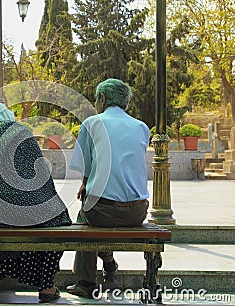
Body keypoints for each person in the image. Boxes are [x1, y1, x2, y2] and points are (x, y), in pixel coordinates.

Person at [0, 102, 72, 302]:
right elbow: (38, 176)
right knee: (56, 220)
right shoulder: (17, 131)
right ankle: (46, 286)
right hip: (15, 216)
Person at [66, 79, 150, 298]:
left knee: (85, 217)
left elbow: (86, 165)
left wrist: (85, 185)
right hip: (137, 211)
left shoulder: (92, 124)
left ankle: (86, 281)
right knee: (96, 213)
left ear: (102, 99)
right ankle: (109, 265)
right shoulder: (142, 127)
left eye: (96, 98)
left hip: (103, 211)